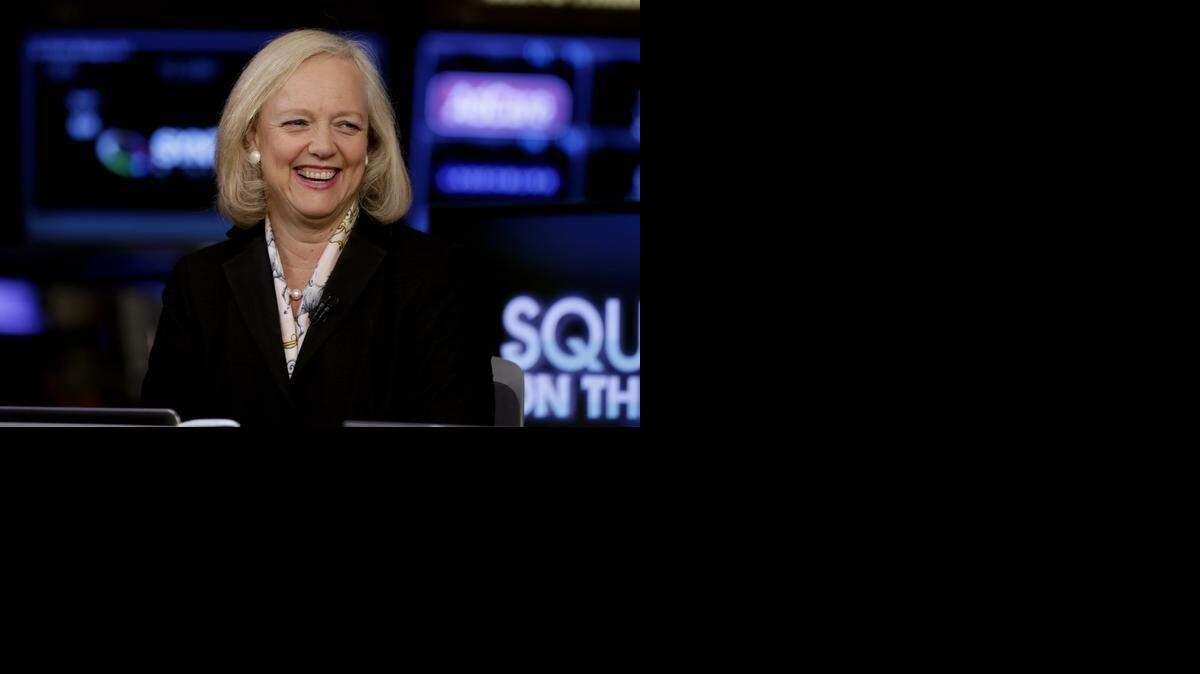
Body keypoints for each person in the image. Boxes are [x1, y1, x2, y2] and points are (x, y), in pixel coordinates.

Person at [142, 29, 495, 428]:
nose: (324, 146)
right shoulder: (198, 284)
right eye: (297, 122)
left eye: (347, 125)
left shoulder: (437, 278)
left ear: (371, 145)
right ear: (253, 137)